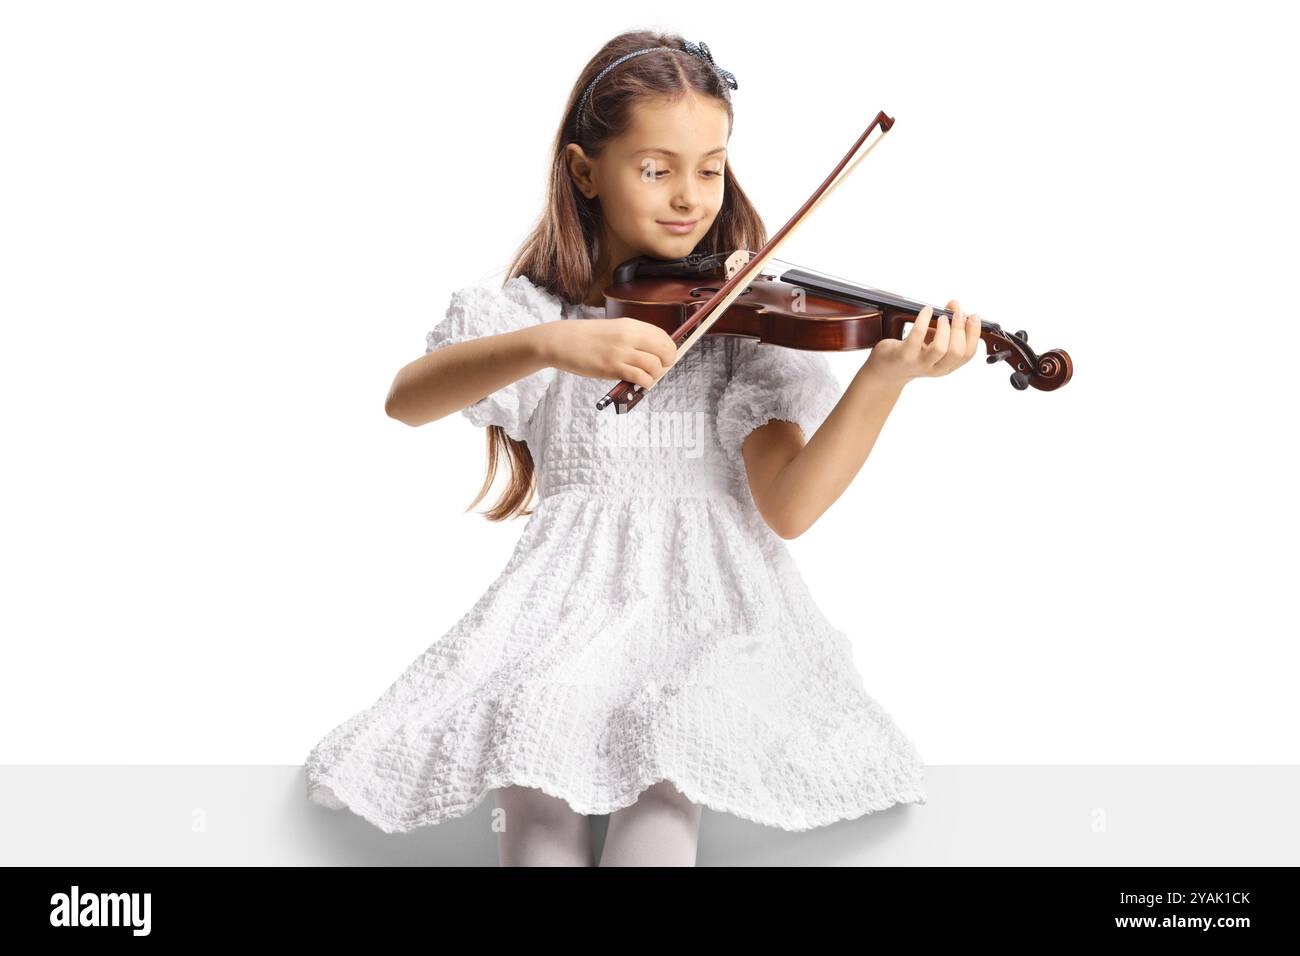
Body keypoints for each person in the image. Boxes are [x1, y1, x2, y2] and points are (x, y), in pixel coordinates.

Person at [304, 30, 981, 867]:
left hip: (707, 610)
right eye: (656, 168)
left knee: (670, 764)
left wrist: (884, 380)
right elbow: (406, 399)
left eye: (711, 167)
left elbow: (791, 506)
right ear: (586, 172)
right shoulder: (542, 316)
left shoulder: (741, 327)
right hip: (566, 609)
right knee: (535, 758)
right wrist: (551, 344)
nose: (690, 197)